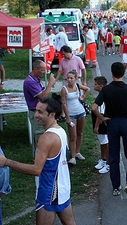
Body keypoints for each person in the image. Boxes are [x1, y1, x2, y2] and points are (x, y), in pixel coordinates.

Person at [0, 97, 76, 225]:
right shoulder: (61, 131)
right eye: (36, 111)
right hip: (63, 188)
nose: (36, 115)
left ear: (52, 114)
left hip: (48, 191)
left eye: (40, 112)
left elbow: (36, 170)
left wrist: (6, 162)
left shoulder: (46, 138)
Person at [92, 62, 127, 198]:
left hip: (112, 122)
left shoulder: (106, 89)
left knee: (113, 154)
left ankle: (115, 187)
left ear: (112, 73)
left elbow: (95, 107)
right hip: (126, 121)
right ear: (124, 73)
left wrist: (102, 118)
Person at [23, 59, 56, 143]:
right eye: (43, 70)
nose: (44, 72)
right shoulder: (30, 82)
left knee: (45, 134)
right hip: (35, 112)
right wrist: (50, 84)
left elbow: (42, 93)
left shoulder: (36, 79)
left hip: (41, 111)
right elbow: (43, 96)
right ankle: (39, 154)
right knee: (40, 138)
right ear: (35, 69)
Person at [61, 70, 90, 165]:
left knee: (80, 133)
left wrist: (83, 97)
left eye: (71, 78)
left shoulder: (77, 86)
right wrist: (67, 117)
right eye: (67, 78)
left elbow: (87, 89)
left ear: (76, 79)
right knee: (73, 136)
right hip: (72, 114)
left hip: (81, 112)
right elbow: (64, 103)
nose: (69, 80)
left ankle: (78, 152)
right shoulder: (64, 89)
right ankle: (72, 157)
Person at [92, 76, 110, 174]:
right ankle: (103, 159)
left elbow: (101, 113)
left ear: (101, 86)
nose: (93, 86)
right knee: (102, 142)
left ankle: (108, 162)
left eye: (95, 84)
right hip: (100, 124)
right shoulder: (100, 95)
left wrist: (96, 126)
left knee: (105, 143)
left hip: (102, 124)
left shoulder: (103, 98)